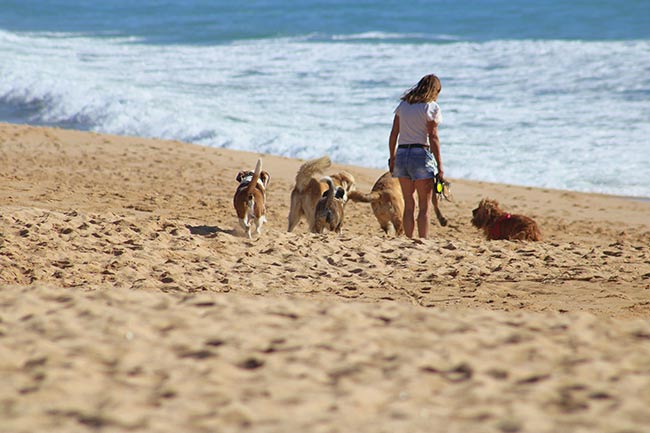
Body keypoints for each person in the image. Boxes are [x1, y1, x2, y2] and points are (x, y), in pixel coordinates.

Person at [388, 74, 444, 239]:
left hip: (402, 154)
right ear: (434, 90)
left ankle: (408, 239)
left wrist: (392, 158)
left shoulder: (403, 105)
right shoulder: (431, 107)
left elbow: (393, 135)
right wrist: (440, 166)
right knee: (424, 206)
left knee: (409, 204)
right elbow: (433, 137)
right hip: (420, 155)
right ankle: (423, 241)